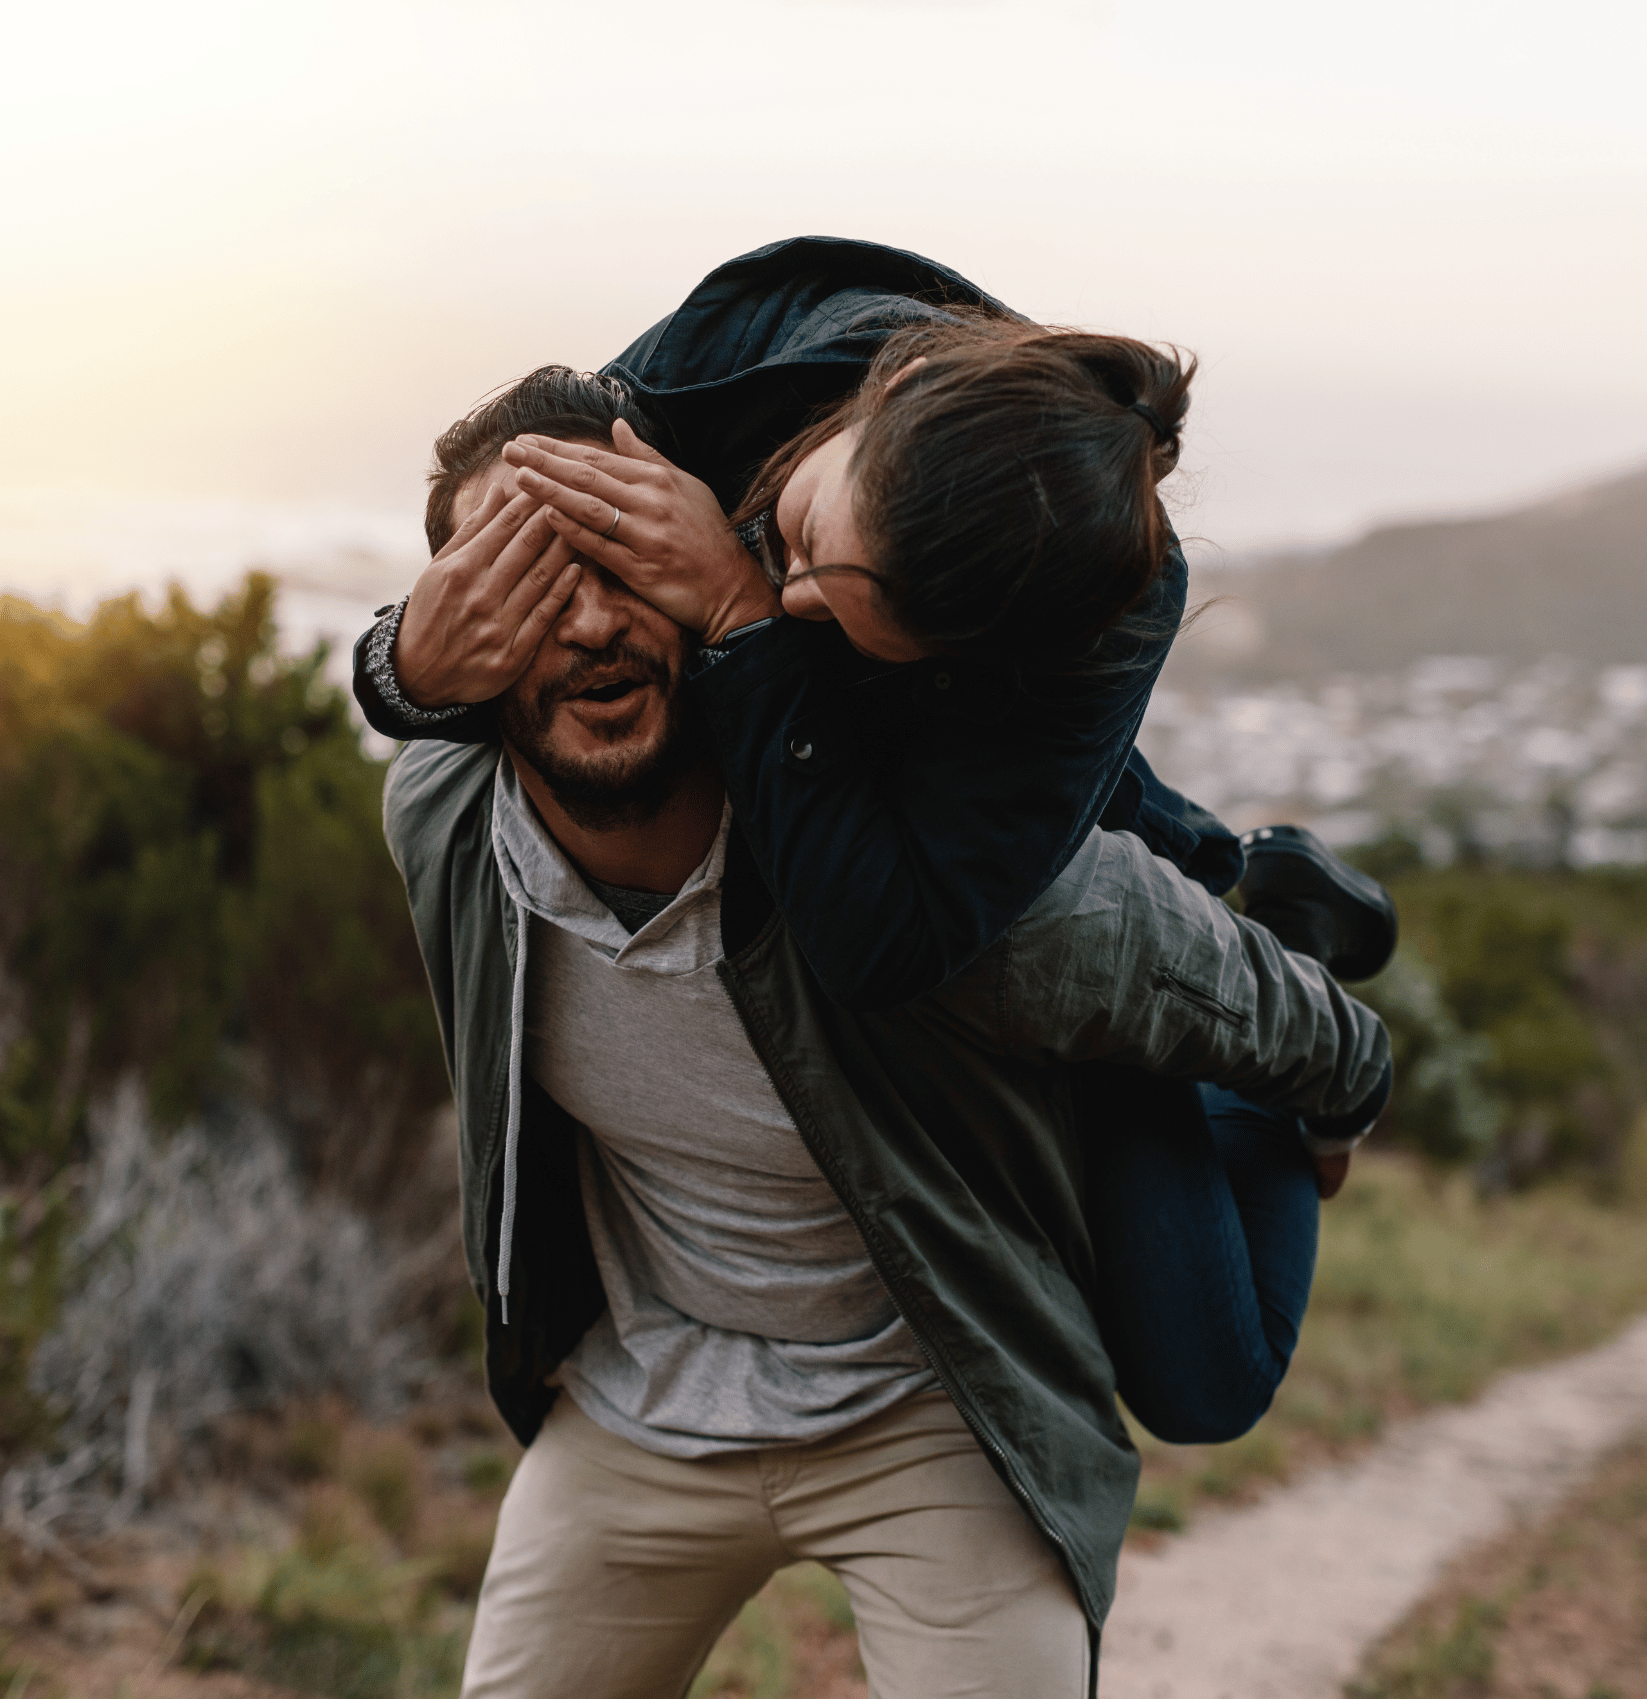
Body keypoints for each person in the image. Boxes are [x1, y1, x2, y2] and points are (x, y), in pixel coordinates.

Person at [381, 377, 1392, 1697]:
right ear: (455, 641)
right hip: (642, 1398)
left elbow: (1209, 980)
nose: (579, 622)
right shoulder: (445, 823)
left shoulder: (905, 870)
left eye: (617, 556)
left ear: (702, 562)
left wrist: (1342, 1085)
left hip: (934, 1395)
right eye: (514, 581)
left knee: (1209, 1365)